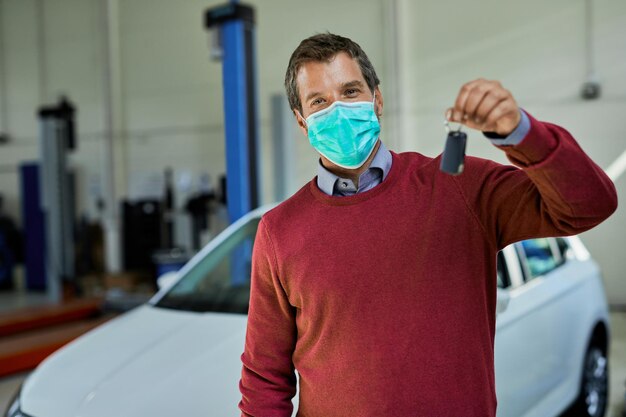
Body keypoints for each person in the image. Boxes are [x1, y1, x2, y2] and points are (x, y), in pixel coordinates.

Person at [238, 33, 618, 417]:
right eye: (319, 102)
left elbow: (589, 204)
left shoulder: (460, 187)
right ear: (303, 123)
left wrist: (521, 133)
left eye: (351, 91)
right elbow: (265, 377)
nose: (337, 110)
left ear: (377, 100)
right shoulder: (280, 231)